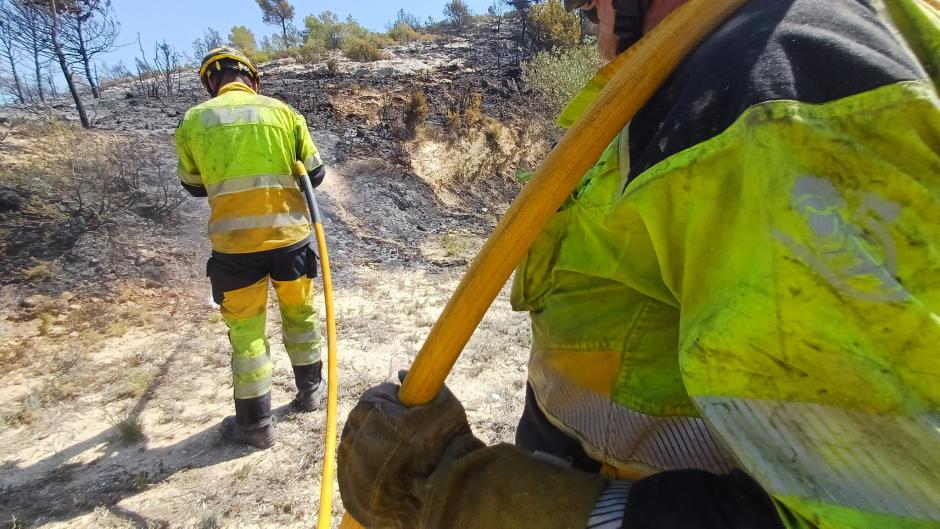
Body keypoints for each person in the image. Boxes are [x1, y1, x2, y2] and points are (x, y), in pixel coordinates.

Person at [338, 0, 940, 527]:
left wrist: (460, 499)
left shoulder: (755, 98)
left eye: (586, 2)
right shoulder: (695, 82)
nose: (588, 17)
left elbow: (887, 510)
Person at [175, 47, 327, 449]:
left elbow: (192, 186)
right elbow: (316, 173)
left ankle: (255, 426)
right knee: (301, 314)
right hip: (289, 241)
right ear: (252, 79)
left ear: (211, 82)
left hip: (235, 251)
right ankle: (311, 392)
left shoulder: (194, 121)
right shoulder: (283, 114)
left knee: (247, 336)